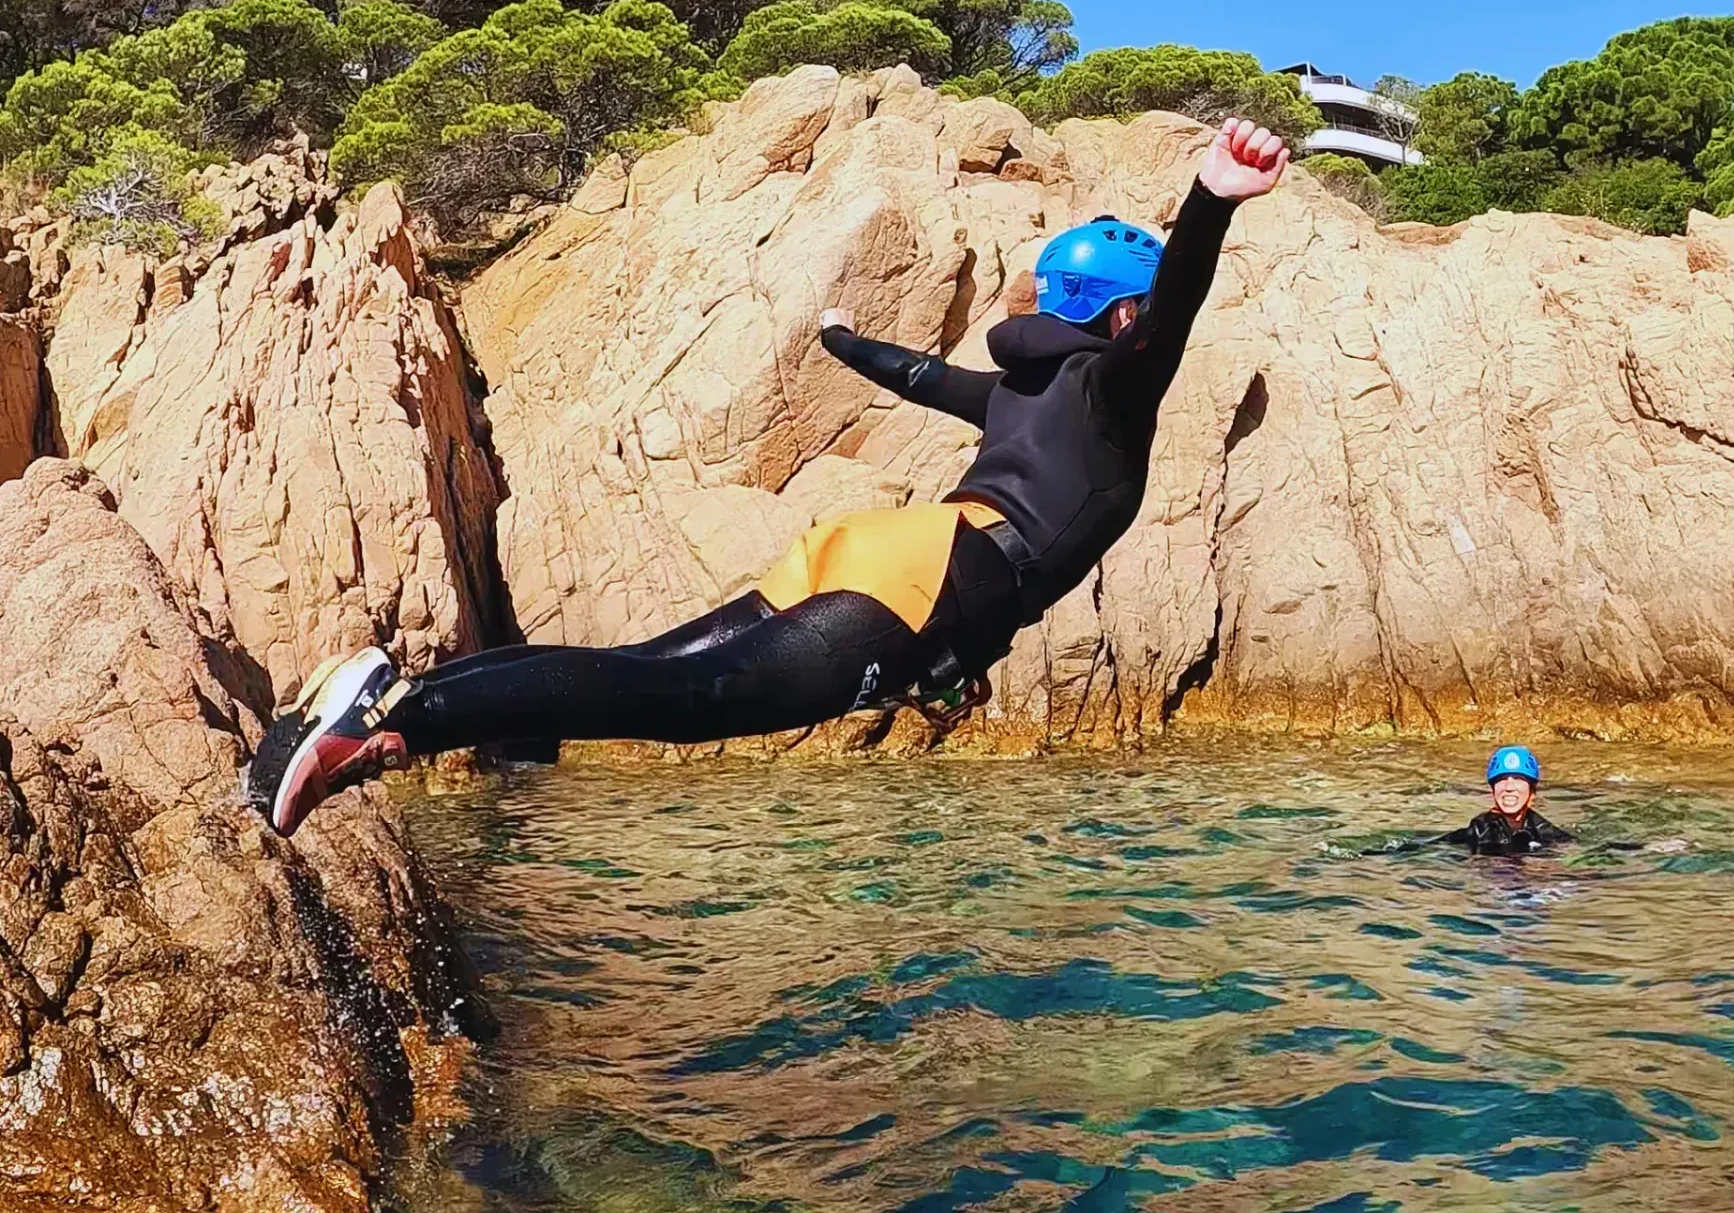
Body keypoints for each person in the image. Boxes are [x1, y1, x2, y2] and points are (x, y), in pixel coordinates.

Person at [243, 118, 1292, 835]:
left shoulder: (1018, 391)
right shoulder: (1114, 388)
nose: (1150, 337)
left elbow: (918, 375)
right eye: (1138, 318)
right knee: (678, 701)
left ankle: (396, 707)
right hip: (937, 574)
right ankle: (393, 720)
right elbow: (1179, 304)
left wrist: (840, 341)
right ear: (1118, 317)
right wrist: (1211, 197)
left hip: (891, 551)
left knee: (642, 668)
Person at [1443, 745, 1573, 855]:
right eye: (1502, 780)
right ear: (1492, 791)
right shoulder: (1478, 831)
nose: (1509, 787)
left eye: (1518, 779)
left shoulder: (1550, 836)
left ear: (1532, 792)